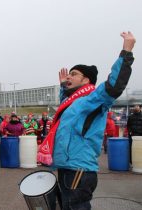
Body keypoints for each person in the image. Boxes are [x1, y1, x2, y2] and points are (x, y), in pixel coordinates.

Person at [37, 32, 135, 210]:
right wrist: (63, 87)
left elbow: (114, 85)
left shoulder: (93, 99)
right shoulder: (73, 102)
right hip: (67, 166)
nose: (68, 77)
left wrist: (126, 52)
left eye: (73, 75)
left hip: (78, 168)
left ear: (86, 79)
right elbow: (66, 113)